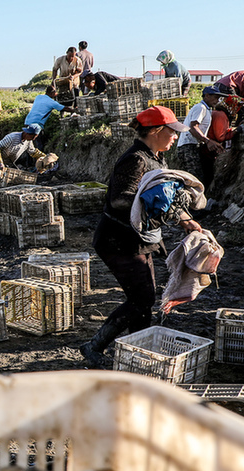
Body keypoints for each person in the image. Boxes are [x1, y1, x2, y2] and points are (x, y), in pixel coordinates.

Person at [79, 106, 202, 367]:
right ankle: (94, 346)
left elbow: (165, 196)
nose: (175, 137)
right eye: (171, 132)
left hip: (140, 239)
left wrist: (185, 219)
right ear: (156, 131)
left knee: (144, 299)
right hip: (118, 240)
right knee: (141, 299)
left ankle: (137, 351)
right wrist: (154, 203)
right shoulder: (135, 159)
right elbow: (119, 199)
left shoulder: (156, 158)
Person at [0, 124, 47, 216]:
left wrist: (45, 157)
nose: (34, 139)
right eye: (33, 136)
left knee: (17, 183)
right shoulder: (12, 137)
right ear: (27, 133)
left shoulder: (28, 141)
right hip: (0, 163)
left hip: (10, 162)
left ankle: (14, 209)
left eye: (35, 137)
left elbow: (33, 152)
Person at [176, 87, 226, 189]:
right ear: (207, 96)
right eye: (215, 97)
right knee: (194, 179)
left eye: (218, 98)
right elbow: (193, 127)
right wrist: (207, 141)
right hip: (188, 146)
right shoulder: (200, 108)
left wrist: (211, 142)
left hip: (192, 145)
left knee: (194, 178)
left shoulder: (206, 109)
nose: (217, 101)